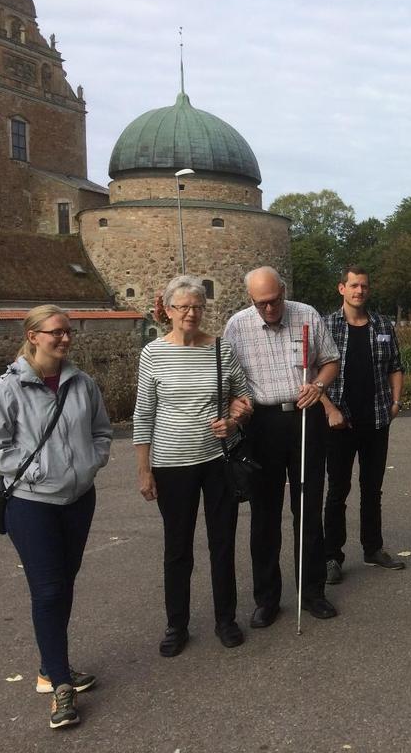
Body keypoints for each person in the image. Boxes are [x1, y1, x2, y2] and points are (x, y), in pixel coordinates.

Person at [0, 305, 112, 729]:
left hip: (78, 499)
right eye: (56, 332)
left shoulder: (81, 382)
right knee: (49, 590)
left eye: (69, 332)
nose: (65, 339)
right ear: (33, 336)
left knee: (63, 583)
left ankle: (50, 665)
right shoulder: (9, 387)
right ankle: (60, 687)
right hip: (31, 503)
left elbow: (102, 430)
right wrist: (35, 470)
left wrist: (92, 462)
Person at [134, 276, 253, 657]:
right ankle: (176, 624)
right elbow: (143, 414)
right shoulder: (153, 354)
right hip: (171, 463)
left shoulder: (221, 349)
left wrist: (235, 418)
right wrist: (144, 468)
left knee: (222, 542)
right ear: (167, 310)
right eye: (183, 306)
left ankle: (225, 619)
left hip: (218, 459)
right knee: (177, 547)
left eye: (197, 307)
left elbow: (244, 396)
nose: (191, 313)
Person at [224, 267, 341, 626]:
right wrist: (235, 405)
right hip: (261, 423)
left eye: (275, 300)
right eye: (262, 303)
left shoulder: (306, 314)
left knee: (307, 506)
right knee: (264, 514)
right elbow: (228, 379)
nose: (270, 308)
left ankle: (313, 590)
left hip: (304, 417)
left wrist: (319, 386)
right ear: (251, 300)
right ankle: (267, 598)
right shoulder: (237, 326)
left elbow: (331, 361)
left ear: (284, 291)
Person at [321, 266, 406, 584]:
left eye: (364, 286)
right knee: (337, 492)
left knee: (373, 490)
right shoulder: (326, 324)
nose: (360, 291)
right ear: (341, 288)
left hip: (376, 419)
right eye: (354, 285)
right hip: (339, 423)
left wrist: (395, 402)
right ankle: (332, 556)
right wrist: (328, 408)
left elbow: (396, 365)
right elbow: (314, 376)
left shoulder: (383, 324)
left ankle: (373, 548)